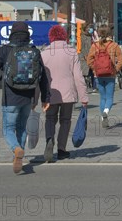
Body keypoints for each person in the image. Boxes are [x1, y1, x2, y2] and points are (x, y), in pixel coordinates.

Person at [0, 21, 51, 174]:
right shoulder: (34, 50)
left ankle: (16, 150)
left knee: (8, 129)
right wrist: (45, 98)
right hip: (28, 98)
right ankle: (19, 154)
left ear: (12, 34)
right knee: (21, 128)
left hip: (10, 97)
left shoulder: (5, 50)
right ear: (27, 34)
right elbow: (43, 78)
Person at [41, 25, 89, 162]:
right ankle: (62, 149)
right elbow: (78, 76)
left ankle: (49, 141)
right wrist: (84, 97)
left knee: (50, 120)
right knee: (65, 121)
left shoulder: (44, 54)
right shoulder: (71, 52)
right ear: (64, 37)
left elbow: (41, 77)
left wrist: (37, 98)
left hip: (50, 93)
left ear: (51, 37)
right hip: (68, 94)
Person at [87, 25, 122, 128]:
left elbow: (89, 60)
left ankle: (103, 118)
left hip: (98, 75)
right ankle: (106, 112)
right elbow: (121, 60)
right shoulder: (114, 45)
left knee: (102, 98)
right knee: (110, 97)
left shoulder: (95, 45)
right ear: (109, 34)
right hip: (110, 75)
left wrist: (95, 69)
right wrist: (115, 69)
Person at [79, 23, 95, 92]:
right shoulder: (83, 37)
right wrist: (85, 55)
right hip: (85, 56)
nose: (90, 29)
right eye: (88, 28)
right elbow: (83, 47)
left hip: (91, 55)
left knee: (92, 72)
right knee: (85, 72)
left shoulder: (90, 36)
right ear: (85, 29)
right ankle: (85, 87)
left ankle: (93, 86)